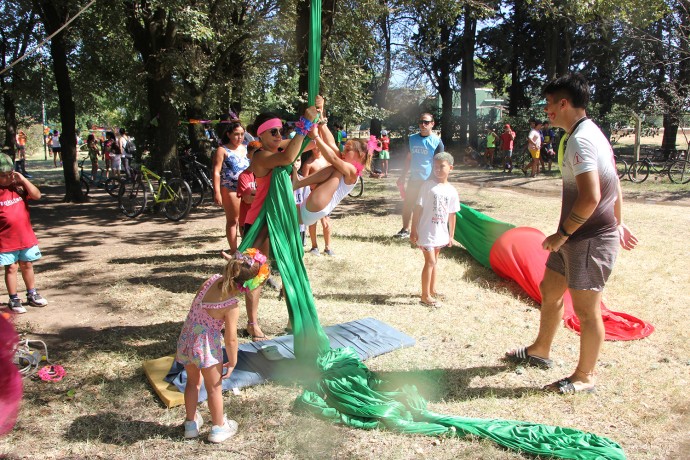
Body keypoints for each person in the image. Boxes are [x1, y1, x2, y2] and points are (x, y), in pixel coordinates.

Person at [504, 72, 638, 394]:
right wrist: (617, 221)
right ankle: (540, 350)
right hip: (575, 235)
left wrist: (562, 234)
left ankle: (585, 376)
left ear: (564, 103)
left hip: (587, 238)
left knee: (587, 311)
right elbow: (614, 181)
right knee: (550, 289)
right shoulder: (587, 133)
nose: (547, 110)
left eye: (550, 104)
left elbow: (592, 197)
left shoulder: (580, 139)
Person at [176, 248, 269, 443]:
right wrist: (233, 361)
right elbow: (231, 339)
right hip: (206, 348)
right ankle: (218, 428)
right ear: (248, 285)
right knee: (214, 388)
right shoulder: (231, 305)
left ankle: (190, 424)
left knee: (192, 383)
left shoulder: (211, 280)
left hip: (187, 339)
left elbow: (196, 306)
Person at [241, 106, 317, 340]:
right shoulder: (261, 156)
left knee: (291, 269)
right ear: (260, 136)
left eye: (280, 131)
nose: (277, 135)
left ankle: (295, 321)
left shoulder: (283, 149)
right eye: (272, 132)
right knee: (258, 274)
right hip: (260, 223)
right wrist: (304, 123)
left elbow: (313, 143)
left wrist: (318, 117)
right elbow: (286, 157)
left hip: (282, 220)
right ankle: (252, 324)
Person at [293, 96, 369, 232]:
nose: (343, 151)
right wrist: (321, 117)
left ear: (361, 155)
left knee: (336, 166)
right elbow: (331, 143)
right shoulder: (345, 163)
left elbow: (333, 158)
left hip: (318, 205)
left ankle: (298, 183)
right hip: (312, 208)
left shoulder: (352, 171)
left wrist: (315, 136)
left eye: (348, 149)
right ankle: (298, 183)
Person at [409, 152, 460, 307]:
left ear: (450, 168)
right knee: (430, 261)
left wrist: (451, 235)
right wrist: (413, 229)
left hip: (440, 233)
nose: (437, 169)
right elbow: (417, 208)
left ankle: (432, 289)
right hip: (426, 232)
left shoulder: (452, 191)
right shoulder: (427, 186)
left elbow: (452, 214)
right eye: (435, 166)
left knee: (434, 261)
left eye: (441, 166)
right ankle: (425, 296)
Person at [0, 154, 48, 314]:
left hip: (25, 236)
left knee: (27, 265)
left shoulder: (19, 188)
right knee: (11, 268)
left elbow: (37, 195)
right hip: (6, 240)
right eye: (2, 176)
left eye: (9, 174)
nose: (7, 179)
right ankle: (13, 298)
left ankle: (32, 293)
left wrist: (23, 180)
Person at [394, 113, 444, 238]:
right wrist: (403, 175)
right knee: (408, 205)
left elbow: (441, 163)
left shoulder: (437, 142)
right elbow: (409, 157)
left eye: (426, 122)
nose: (423, 124)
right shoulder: (412, 139)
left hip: (429, 181)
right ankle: (405, 230)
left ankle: (423, 232)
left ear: (432, 124)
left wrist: (440, 181)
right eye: (421, 122)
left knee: (424, 207)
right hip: (414, 179)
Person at [213, 120, 250, 254]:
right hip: (230, 188)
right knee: (233, 220)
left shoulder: (247, 148)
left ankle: (245, 247)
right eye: (236, 134)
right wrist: (217, 192)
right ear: (228, 134)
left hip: (247, 189)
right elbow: (216, 172)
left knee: (245, 220)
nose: (239, 137)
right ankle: (234, 251)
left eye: (242, 134)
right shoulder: (222, 150)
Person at [300, 138, 334, 256]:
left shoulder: (327, 160)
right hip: (313, 195)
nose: (317, 149)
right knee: (312, 222)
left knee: (326, 222)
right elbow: (303, 182)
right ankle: (314, 246)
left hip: (326, 196)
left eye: (319, 146)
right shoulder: (308, 163)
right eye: (315, 146)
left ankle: (328, 247)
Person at [236, 141, 261, 237]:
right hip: (247, 220)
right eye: (254, 153)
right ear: (248, 155)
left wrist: (254, 194)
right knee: (248, 250)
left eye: (259, 153)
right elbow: (247, 199)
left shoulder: (267, 174)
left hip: (262, 219)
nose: (257, 157)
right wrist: (263, 195)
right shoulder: (244, 176)